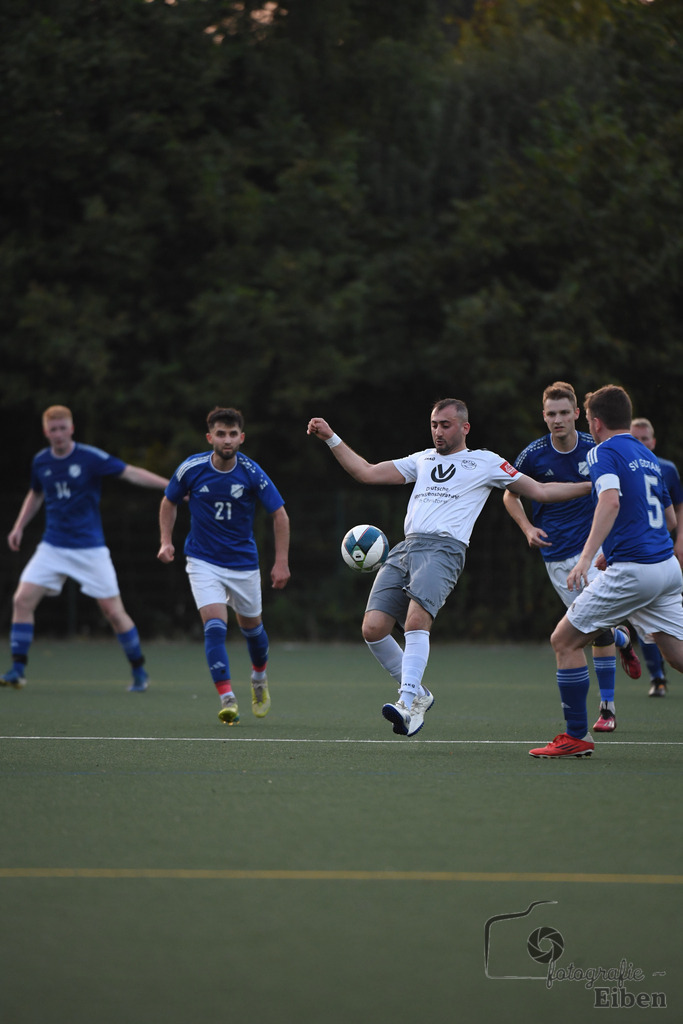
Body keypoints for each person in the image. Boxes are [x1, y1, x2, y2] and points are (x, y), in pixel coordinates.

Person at [307, 399, 592, 738]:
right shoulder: (421, 459)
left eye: (445, 424)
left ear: (464, 427)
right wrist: (330, 437)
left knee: (416, 620)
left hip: (445, 549)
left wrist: (593, 486)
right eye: (434, 425)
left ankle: (407, 703)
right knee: (373, 629)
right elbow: (365, 472)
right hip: (406, 546)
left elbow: (541, 491)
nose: (438, 431)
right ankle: (419, 694)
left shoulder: (485, 462)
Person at [530, 385, 683, 759]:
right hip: (665, 568)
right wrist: (611, 552)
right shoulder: (647, 456)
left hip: (636, 572)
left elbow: (610, 501)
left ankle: (576, 737)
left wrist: (585, 557)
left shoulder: (603, 451)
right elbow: (667, 518)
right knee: (678, 656)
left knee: (564, 641)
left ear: (594, 423)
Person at [503, 381, 641, 734]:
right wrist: (527, 529)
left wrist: (606, 548)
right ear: (544, 416)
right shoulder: (533, 454)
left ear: (578, 414)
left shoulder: (596, 448)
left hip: (592, 554)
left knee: (590, 630)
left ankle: (607, 708)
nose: (558, 419)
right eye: (551, 414)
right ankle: (623, 639)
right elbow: (510, 496)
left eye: (565, 412)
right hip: (555, 557)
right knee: (596, 630)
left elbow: (615, 498)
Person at [1, 405, 169, 692]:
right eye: (52, 430)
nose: (58, 434)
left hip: (90, 549)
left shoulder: (90, 457)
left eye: (62, 428)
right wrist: (19, 526)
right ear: (46, 432)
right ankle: (17, 670)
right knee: (22, 600)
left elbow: (130, 472)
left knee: (113, 612)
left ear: (71, 429)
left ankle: (139, 671)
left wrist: (171, 487)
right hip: (52, 546)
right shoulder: (41, 461)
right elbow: (36, 493)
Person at [158, 407, 290, 724]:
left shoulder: (252, 472)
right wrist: (166, 540)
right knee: (215, 626)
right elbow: (168, 501)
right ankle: (227, 697)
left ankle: (259, 677)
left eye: (233, 434)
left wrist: (281, 562)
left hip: (243, 564)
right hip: (203, 561)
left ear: (241, 438)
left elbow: (280, 515)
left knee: (253, 631)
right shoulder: (191, 468)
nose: (227, 440)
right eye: (221, 434)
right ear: (210, 437)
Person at [629, 416, 683, 697]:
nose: (640, 443)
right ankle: (657, 676)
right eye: (634, 438)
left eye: (644, 438)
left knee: (658, 619)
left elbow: (676, 515)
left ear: (653, 441)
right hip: (645, 556)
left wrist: (681, 543)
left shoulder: (665, 468)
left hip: (658, 555)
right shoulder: (629, 466)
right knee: (646, 620)